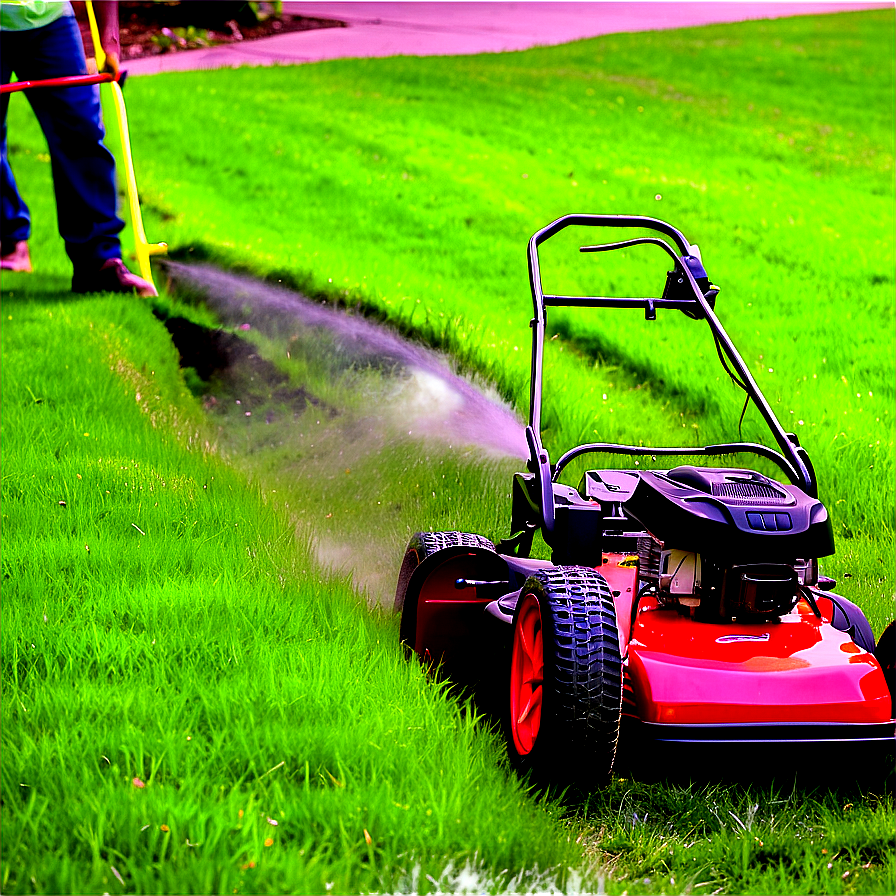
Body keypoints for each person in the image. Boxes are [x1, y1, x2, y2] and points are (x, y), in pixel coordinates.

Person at [0, 0, 156, 296]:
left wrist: (110, 42)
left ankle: (98, 264)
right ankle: (8, 238)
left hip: (51, 19)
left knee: (80, 133)